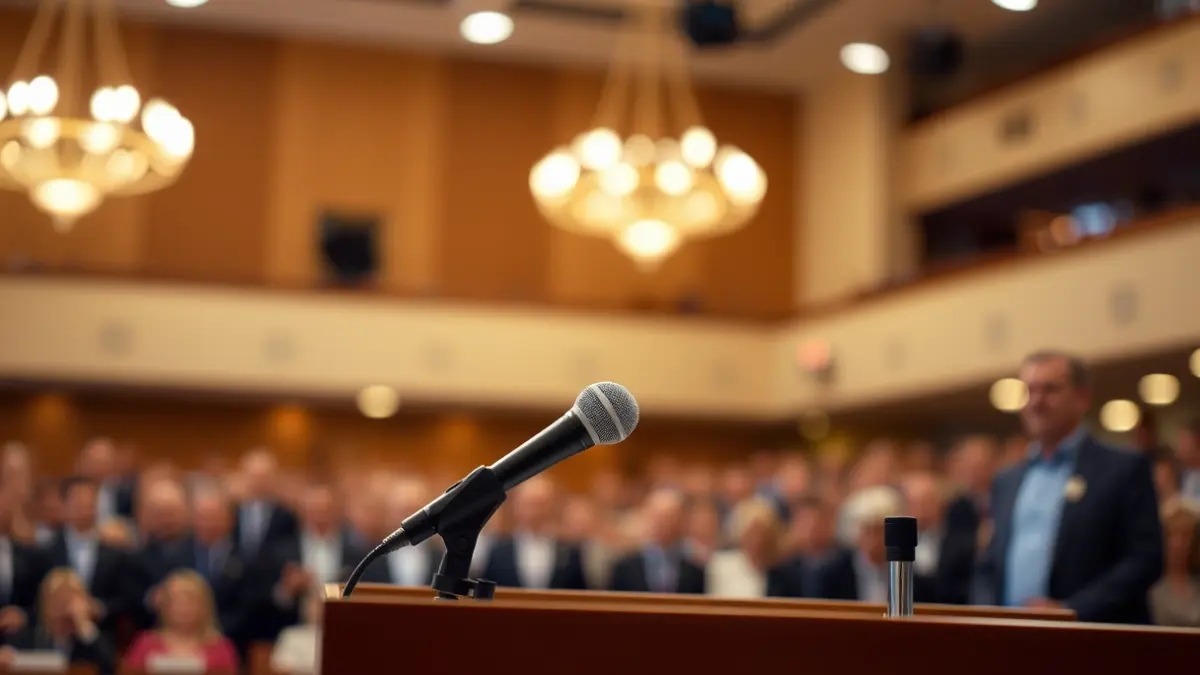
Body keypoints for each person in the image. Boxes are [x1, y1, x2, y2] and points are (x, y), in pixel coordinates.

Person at [982, 351, 1163, 623]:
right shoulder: (1006, 481)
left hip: (1092, 640)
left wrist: (1071, 608)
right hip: (1011, 640)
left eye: (1050, 389)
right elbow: (991, 563)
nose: (1037, 402)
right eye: (1029, 391)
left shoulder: (1123, 468)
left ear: (1082, 398)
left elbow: (1145, 560)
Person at [0, 568, 115, 675]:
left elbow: (109, 667)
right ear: (44, 603)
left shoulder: (88, 639)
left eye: (68, 600)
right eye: (56, 600)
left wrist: (84, 625)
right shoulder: (25, 637)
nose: (62, 608)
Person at [123, 570, 239, 672]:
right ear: (165, 606)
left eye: (190, 602)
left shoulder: (220, 648)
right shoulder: (145, 644)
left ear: (204, 607)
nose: (183, 609)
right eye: (177, 602)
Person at [1149, 499, 1200, 626]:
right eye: (1172, 536)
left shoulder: (1197, 584)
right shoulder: (1150, 587)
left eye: (1185, 536)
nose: (1179, 544)